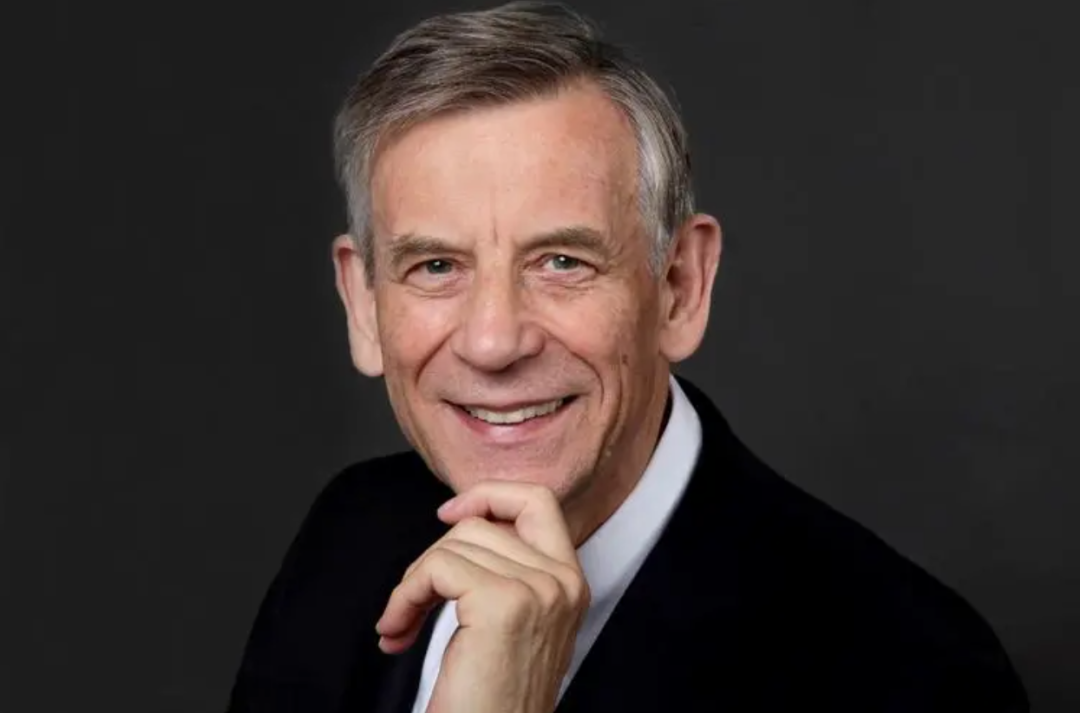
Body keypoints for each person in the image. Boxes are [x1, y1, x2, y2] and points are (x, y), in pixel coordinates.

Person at [227, 3, 1028, 711]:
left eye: (562, 262)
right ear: (364, 303)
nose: (494, 340)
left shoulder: (914, 672)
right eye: (436, 266)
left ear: (679, 286)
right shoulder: (350, 536)